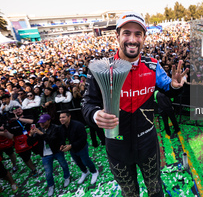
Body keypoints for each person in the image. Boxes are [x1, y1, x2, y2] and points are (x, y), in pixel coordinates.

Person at [82, 12, 187, 197]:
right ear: (117, 36)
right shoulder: (101, 69)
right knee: (130, 193)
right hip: (117, 146)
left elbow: (169, 89)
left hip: (147, 143)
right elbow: (88, 104)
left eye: (138, 34)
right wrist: (95, 115)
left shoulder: (153, 66)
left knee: (155, 188)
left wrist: (175, 86)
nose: (132, 39)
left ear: (144, 38)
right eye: (127, 33)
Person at [27, 114, 70, 197]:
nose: (41, 124)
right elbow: (29, 143)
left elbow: (52, 140)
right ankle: (51, 185)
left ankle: (67, 177)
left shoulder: (56, 128)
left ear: (49, 120)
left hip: (56, 151)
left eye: (43, 122)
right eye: (40, 122)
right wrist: (30, 135)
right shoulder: (38, 130)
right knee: (48, 172)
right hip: (45, 154)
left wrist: (42, 134)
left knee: (63, 164)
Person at [59, 111, 99, 185]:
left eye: (63, 117)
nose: (61, 119)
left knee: (86, 161)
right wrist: (62, 144)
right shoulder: (62, 127)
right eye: (60, 118)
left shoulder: (78, 125)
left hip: (81, 147)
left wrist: (71, 145)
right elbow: (62, 138)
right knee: (78, 162)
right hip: (72, 149)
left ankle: (94, 171)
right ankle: (85, 172)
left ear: (69, 116)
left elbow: (83, 139)